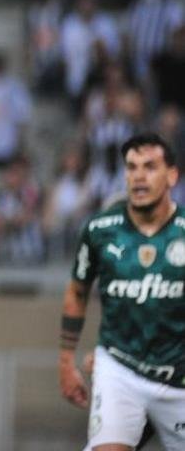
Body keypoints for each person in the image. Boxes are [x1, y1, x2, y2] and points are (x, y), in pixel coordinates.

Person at [59, 132, 185, 451]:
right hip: (120, 369)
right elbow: (77, 292)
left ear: (172, 175)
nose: (138, 176)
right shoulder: (100, 230)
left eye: (149, 167)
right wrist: (66, 362)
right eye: (131, 167)